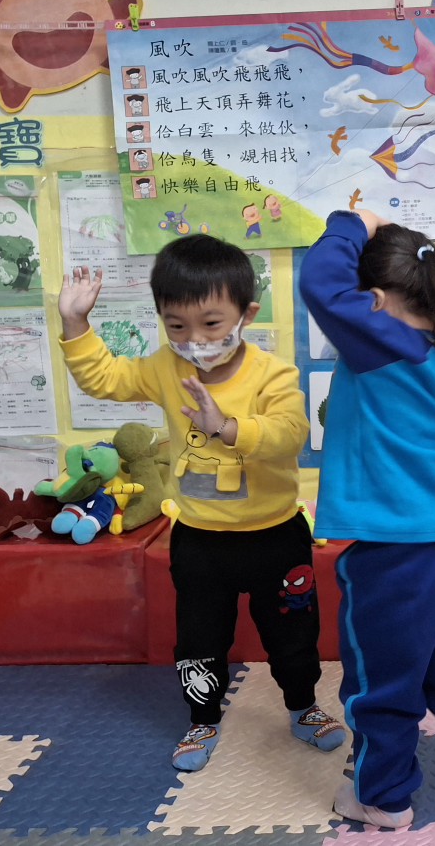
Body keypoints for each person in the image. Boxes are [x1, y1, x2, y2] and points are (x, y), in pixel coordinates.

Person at [57, 235, 345, 773]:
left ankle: (303, 706)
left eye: (212, 324)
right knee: (199, 639)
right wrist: (76, 324)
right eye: (176, 326)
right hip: (199, 539)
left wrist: (226, 427)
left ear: (246, 314)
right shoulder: (166, 367)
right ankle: (202, 719)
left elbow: (290, 433)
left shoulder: (273, 374)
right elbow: (106, 378)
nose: (195, 340)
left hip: (275, 535)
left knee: (293, 634)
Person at [299, 209, 435, 829]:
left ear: (376, 300)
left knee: (380, 679)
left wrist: (351, 222)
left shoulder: (383, 342)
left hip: (399, 549)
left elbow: (319, 283)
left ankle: (382, 798)